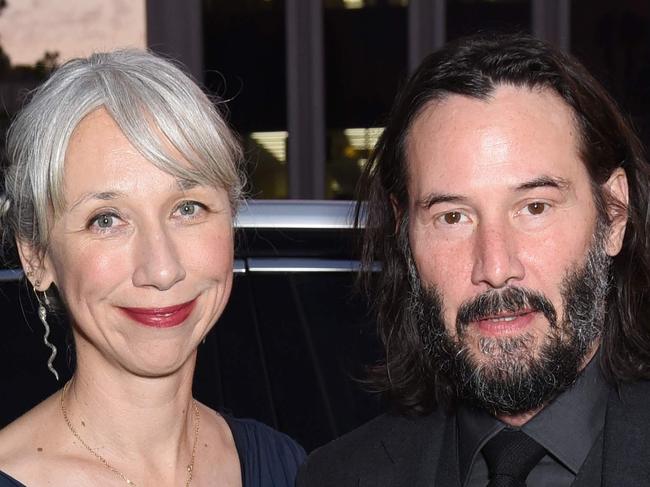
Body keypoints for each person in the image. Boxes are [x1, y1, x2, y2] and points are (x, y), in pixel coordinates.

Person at [297, 32, 650, 486]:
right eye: (453, 217)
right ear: (405, 234)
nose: (496, 267)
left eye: (534, 208)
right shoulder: (338, 477)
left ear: (614, 214)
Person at [0, 49, 304, 487]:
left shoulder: (287, 467)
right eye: (106, 220)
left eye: (187, 207)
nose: (162, 269)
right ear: (36, 256)